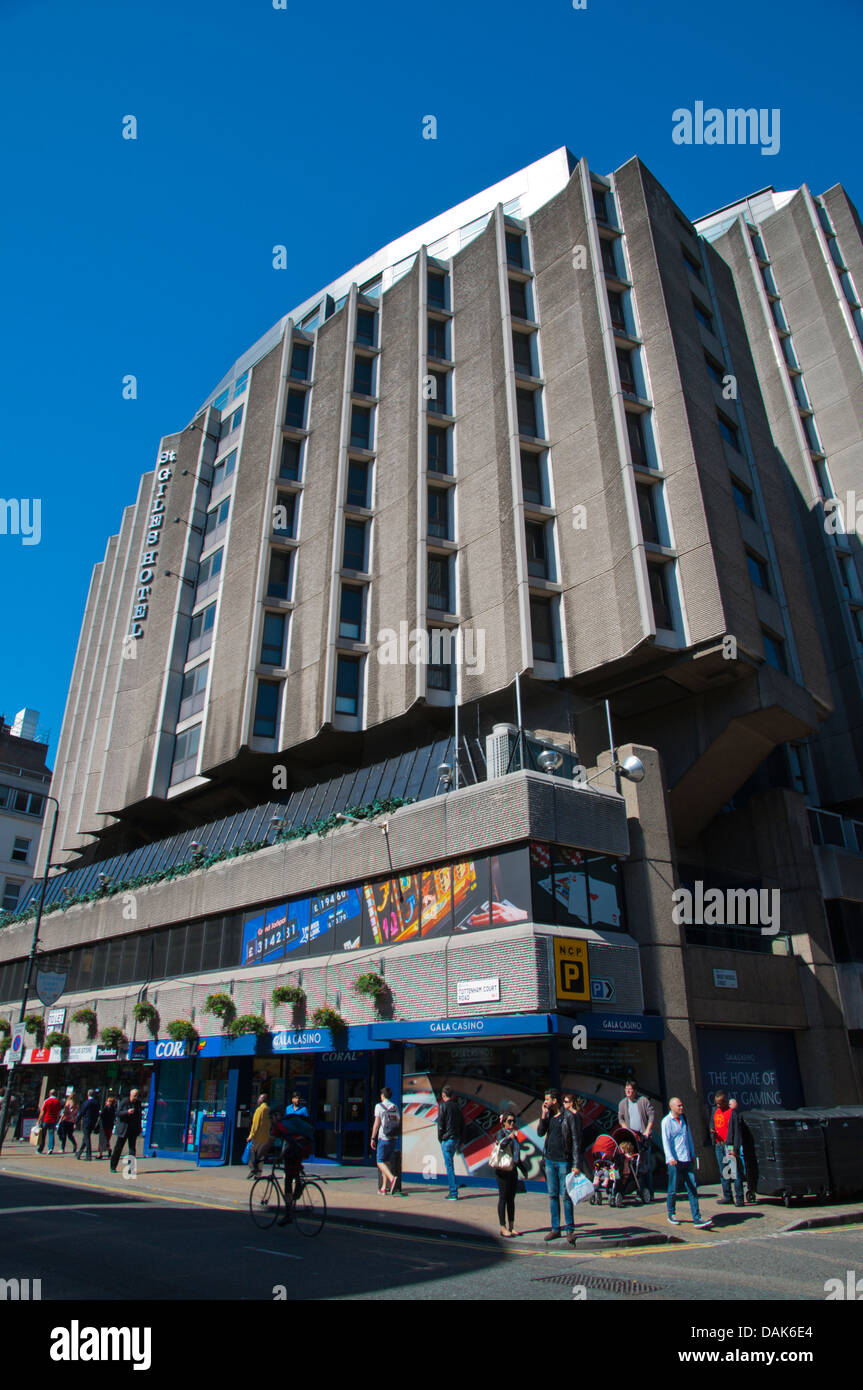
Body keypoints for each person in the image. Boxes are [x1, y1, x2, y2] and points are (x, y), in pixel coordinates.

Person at [537, 1088, 583, 1244]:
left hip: (564, 1161)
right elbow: (540, 1132)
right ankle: (555, 1229)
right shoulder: (549, 1115)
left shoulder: (569, 1117)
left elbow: (576, 1141)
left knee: (566, 1196)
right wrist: (543, 1114)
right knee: (552, 1195)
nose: (545, 1102)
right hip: (550, 1160)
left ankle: (569, 1229)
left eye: (547, 1100)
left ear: (554, 1101)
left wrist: (576, 1164)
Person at [661, 1097, 712, 1228]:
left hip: (686, 1158)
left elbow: (688, 1137)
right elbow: (665, 1141)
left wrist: (693, 1154)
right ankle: (671, 1213)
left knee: (692, 1188)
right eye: (679, 1106)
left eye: (682, 1105)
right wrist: (670, 1157)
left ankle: (697, 1217)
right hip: (674, 1161)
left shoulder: (684, 1119)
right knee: (673, 1189)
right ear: (671, 1107)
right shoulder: (666, 1121)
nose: (681, 1108)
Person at [617, 1080, 656, 1200]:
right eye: (626, 1089)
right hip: (632, 1138)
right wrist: (625, 1129)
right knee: (634, 1167)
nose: (628, 1092)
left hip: (643, 1137)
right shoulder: (623, 1103)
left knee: (646, 1167)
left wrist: (648, 1130)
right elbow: (621, 1118)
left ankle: (650, 1192)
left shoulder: (643, 1101)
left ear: (635, 1091)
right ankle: (638, 1190)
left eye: (630, 1089)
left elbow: (651, 1115)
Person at [710, 1088, 744, 1207]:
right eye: (717, 1102)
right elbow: (712, 1124)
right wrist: (712, 1132)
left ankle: (739, 1197)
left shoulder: (732, 1113)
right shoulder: (715, 1111)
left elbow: (737, 1133)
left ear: (726, 1101)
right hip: (719, 1145)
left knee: (734, 1172)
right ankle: (727, 1196)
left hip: (729, 1146)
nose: (719, 1105)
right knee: (724, 1171)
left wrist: (735, 1149)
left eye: (721, 1102)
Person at [492, 1112, 523, 1238]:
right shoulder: (501, 1133)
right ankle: (502, 1227)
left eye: (513, 1121)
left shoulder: (514, 1136)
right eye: (509, 1121)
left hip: (513, 1169)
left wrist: (522, 1168)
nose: (512, 1124)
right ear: (503, 1122)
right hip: (502, 1170)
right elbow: (501, 1146)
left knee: (511, 1199)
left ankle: (511, 1226)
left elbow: (516, 1154)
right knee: (503, 1198)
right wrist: (509, 1138)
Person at [436, 1084, 465, 1200]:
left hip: (447, 1139)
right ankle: (453, 1187)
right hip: (456, 1139)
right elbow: (463, 1124)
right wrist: (462, 1139)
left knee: (449, 1166)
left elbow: (440, 1124)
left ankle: (453, 1192)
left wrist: (440, 1138)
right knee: (450, 1164)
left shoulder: (442, 1106)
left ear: (443, 1095)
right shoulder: (457, 1107)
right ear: (451, 1095)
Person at [370, 1086, 400, 1196]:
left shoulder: (378, 1106)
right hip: (393, 1138)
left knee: (379, 1161)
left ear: (382, 1095)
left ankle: (392, 1179)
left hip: (383, 1137)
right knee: (386, 1162)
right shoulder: (395, 1106)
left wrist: (373, 1137)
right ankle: (384, 1188)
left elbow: (377, 1123)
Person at [110, 1089, 142, 1173]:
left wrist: (139, 1127)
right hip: (123, 1128)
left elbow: (139, 1117)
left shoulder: (138, 1103)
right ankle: (113, 1166)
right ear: (130, 1095)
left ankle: (130, 1168)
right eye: (134, 1095)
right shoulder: (125, 1101)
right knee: (118, 1148)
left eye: (137, 1095)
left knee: (132, 1149)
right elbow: (117, 1113)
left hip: (133, 1129)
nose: (136, 1097)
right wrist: (127, 1112)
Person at [246, 1093, 272, 1178]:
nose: (258, 1100)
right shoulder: (268, 1109)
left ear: (262, 1100)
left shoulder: (259, 1110)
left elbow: (255, 1125)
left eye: (259, 1098)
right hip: (265, 1137)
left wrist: (251, 1136)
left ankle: (253, 1169)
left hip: (257, 1137)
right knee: (261, 1156)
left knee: (252, 1153)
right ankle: (258, 1174)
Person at [76, 1090, 100, 1161]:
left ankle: (88, 1155)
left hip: (86, 1121)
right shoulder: (96, 1103)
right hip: (93, 1122)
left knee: (87, 1138)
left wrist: (77, 1120)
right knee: (86, 1138)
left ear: (88, 1094)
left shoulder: (87, 1102)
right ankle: (79, 1153)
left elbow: (82, 1112)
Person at [97, 1094, 116, 1159]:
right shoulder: (113, 1109)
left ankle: (100, 1153)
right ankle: (108, 1149)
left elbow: (102, 1116)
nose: (106, 1102)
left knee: (102, 1140)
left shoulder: (105, 1108)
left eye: (107, 1101)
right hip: (110, 1126)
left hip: (104, 1126)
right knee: (107, 1139)